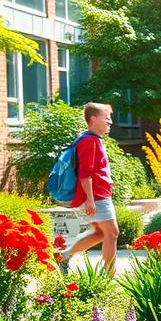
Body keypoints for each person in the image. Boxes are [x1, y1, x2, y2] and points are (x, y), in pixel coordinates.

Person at [62, 103, 118, 276]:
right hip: (96, 196)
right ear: (93, 119)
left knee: (101, 233)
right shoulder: (88, 141)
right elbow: (85, 173)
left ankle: (63, 256)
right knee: (112, 233)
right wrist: (90, 199)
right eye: (106, 118)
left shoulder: (93, 140)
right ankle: (109, 276)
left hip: (99, 194)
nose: (110, 122)